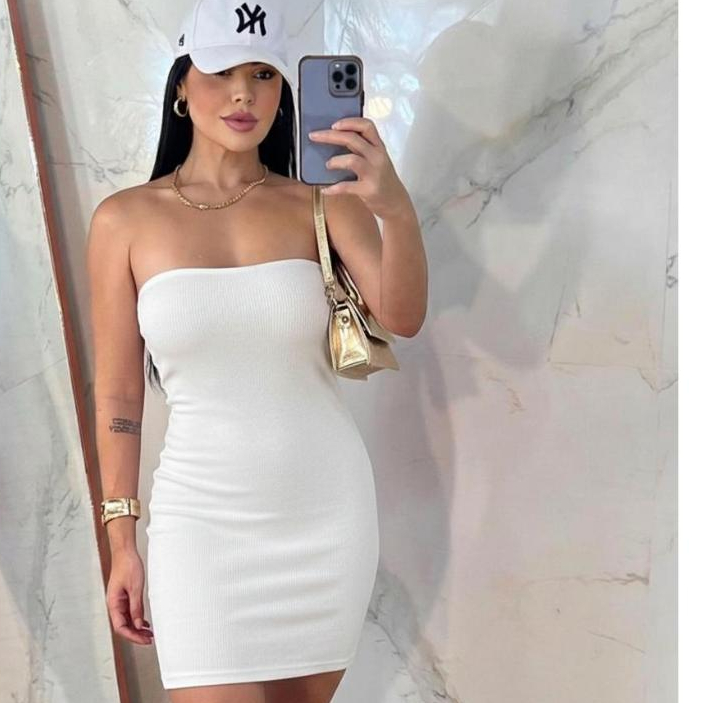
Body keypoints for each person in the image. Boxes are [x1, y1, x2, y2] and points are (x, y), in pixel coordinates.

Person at [86, 0, 427, 701]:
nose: (244, 94)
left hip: (324, 514)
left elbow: (403, 315)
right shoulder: (124, 220)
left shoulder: (323, 203)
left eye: (264, 75)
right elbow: (118, 393)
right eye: (222, 72)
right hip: (201, 524)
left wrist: (393, 207)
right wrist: (122, 538)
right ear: (182, 86)